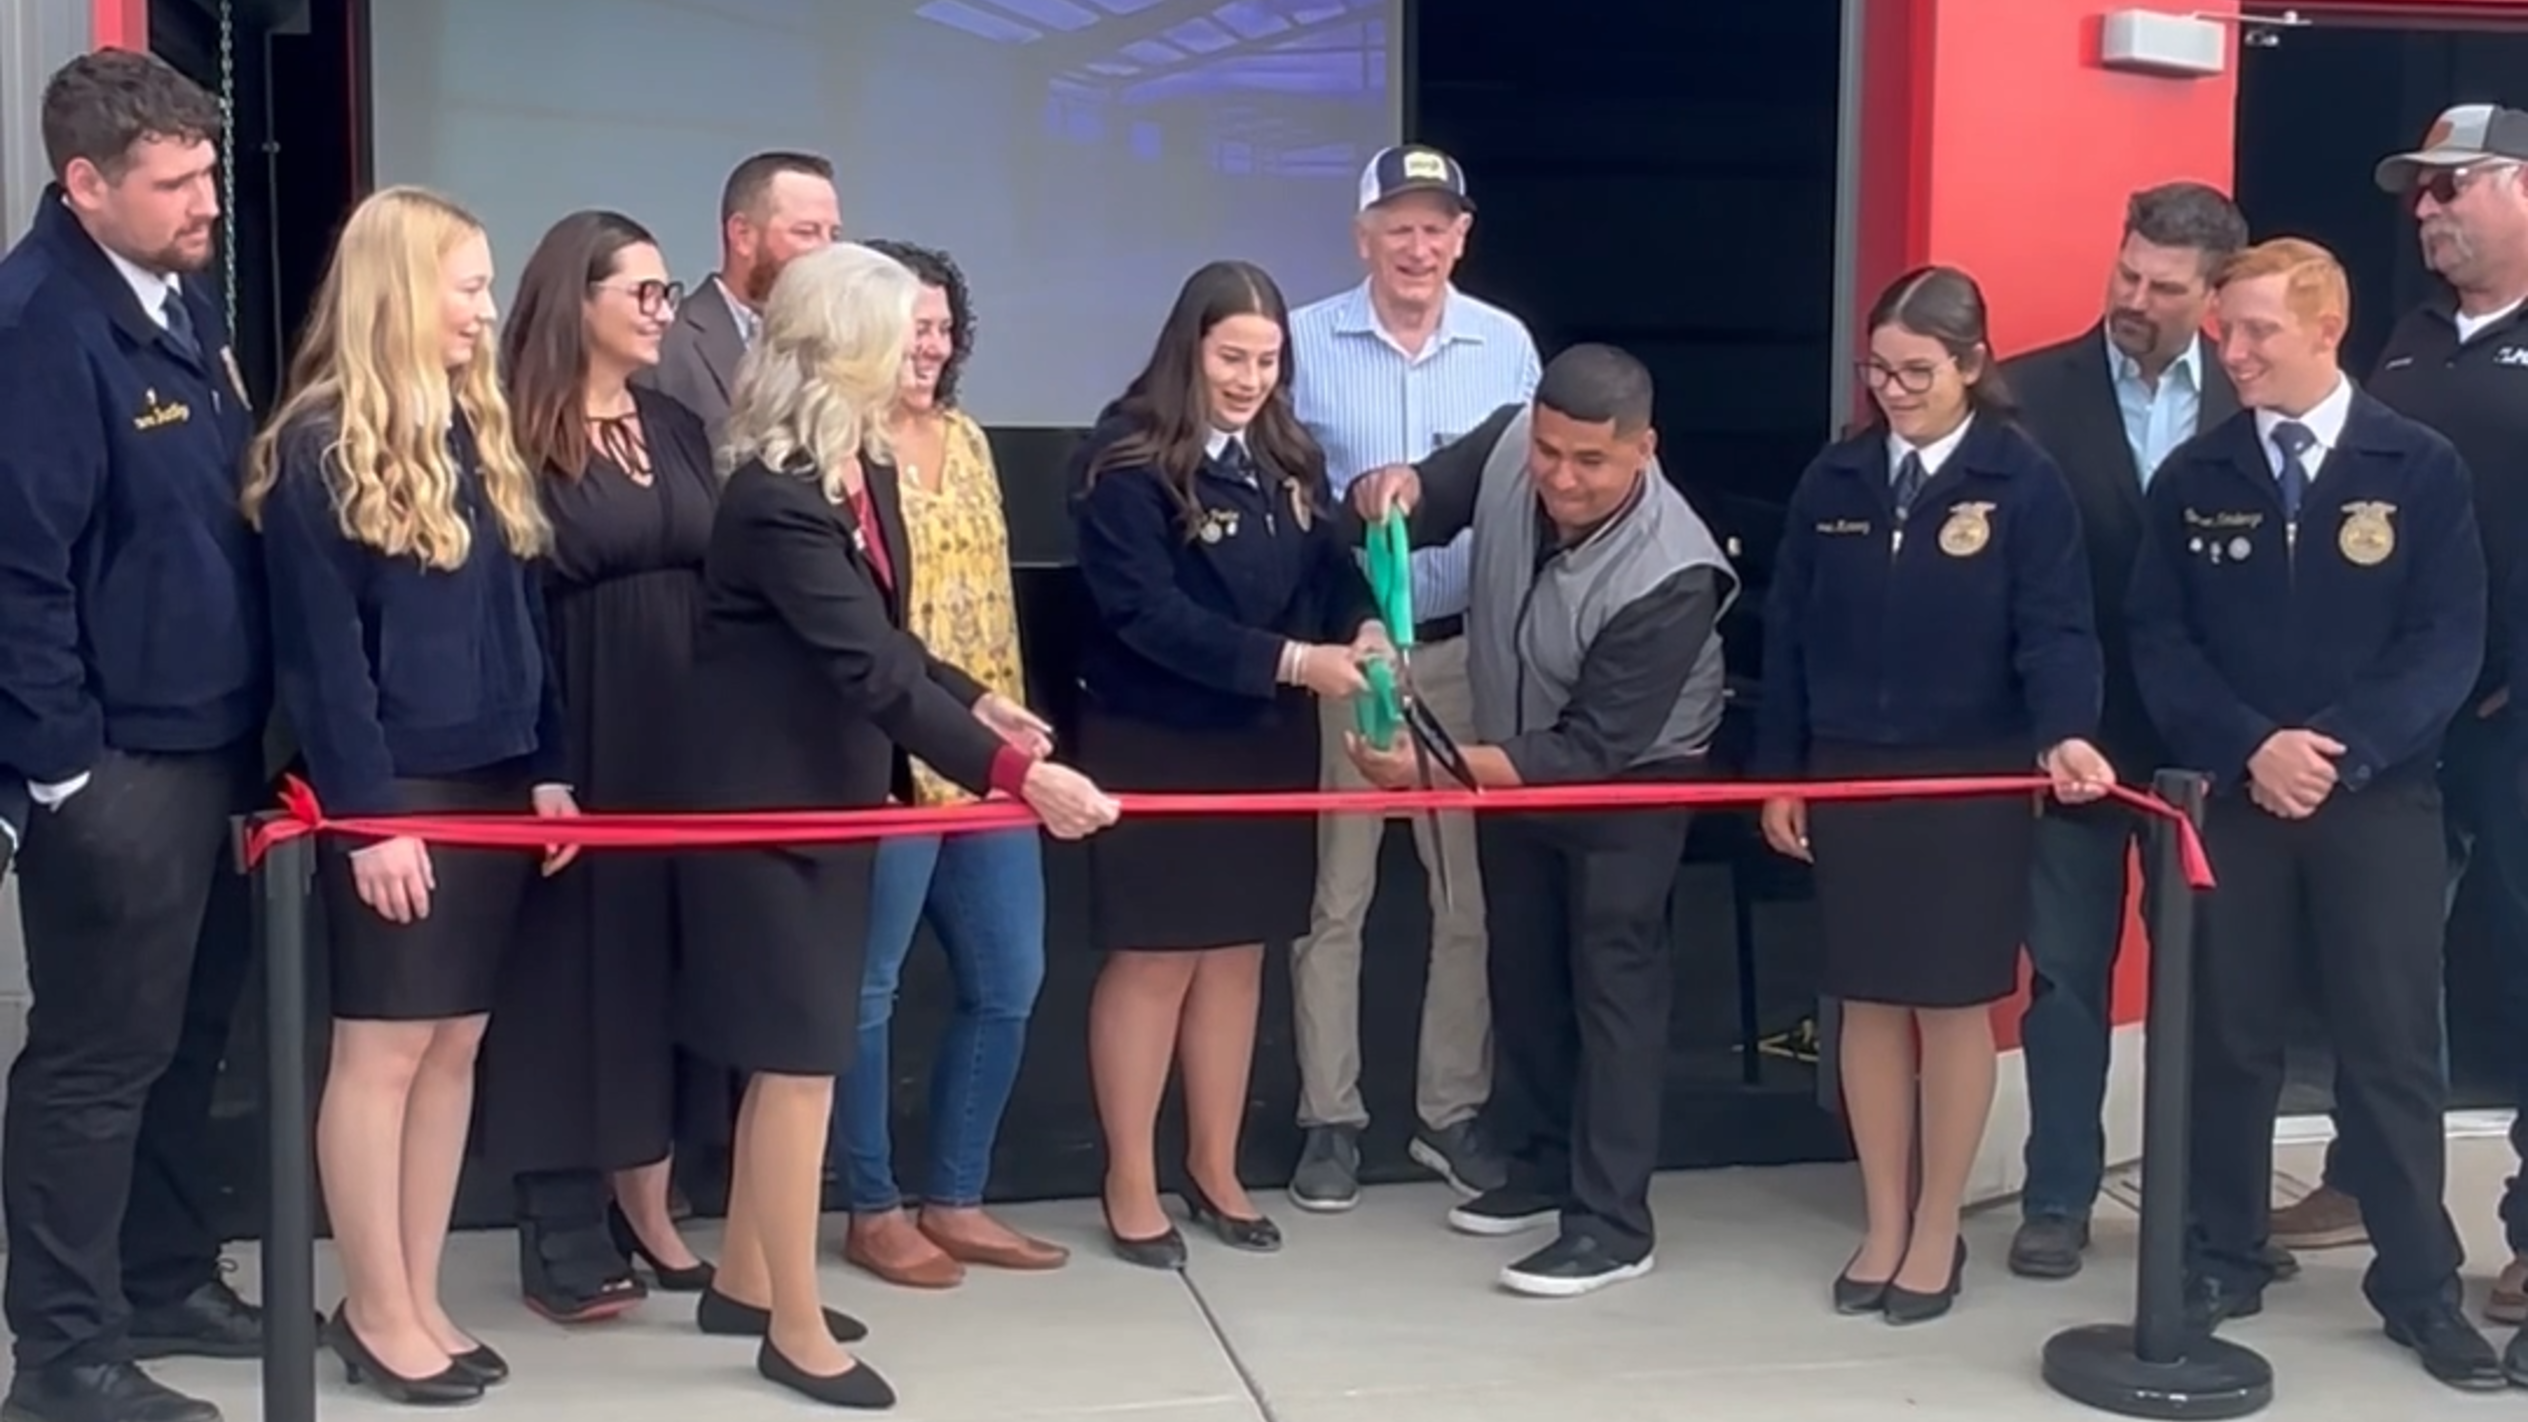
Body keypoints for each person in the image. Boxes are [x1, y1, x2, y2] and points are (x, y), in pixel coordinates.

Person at [674, 241, 1117, 1409]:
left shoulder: (850, 472)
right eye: (893, 337)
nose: (918, 356)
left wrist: (977, 701)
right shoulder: (771, 494)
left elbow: (892, 638)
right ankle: (794, 1328)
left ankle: (742, 1279)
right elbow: (865, 666)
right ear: (839, 352)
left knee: (797, 1060)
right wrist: (1017, 774)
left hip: (835, 800)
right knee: (799, 1063)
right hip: (768, 820)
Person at [2127, 237, 2501, 1390]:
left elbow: (2446, 639)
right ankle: (2221, 1254)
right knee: (2226, 1039)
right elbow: (2158, 639)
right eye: (2222, 332)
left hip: (2375, 800)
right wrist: (2249, 747)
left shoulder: (2417, 464)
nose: (2226, 352)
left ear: (2323, 329)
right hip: (2234, 804)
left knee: (2387, 1050)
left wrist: (2336, 755)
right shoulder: (2194, 477)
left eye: (2252, 332)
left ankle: (2416, 1287)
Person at [240, 184, 578, 1405]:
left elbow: (524, 623)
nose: (488, 312)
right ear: (401, 290)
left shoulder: (474, 434)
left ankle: (419, 1294)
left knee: (454, 1050)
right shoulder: (320, 447)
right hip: (396, 790)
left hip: (493, 782)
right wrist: (372, 817)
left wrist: (550, 766)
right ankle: (375, 1310)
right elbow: (323, 667)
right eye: (470, 286)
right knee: (381, 1054)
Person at [1754, 266, 2112, 1327]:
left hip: (1970, 772)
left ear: (1969, 366)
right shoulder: (1837, 478)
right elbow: (1788, 634)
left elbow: (2056, 629)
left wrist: (2064, 736)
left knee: (1951, 1001)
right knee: (1865, 996)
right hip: (1851, 766)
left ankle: (1937, 1224)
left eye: (1916, 371)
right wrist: (1784, 771)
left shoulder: (2021, 481)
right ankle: (1880, 1215)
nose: (1893, 390)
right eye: (1879, 370)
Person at [0, 50, 276, 1422]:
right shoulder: (42, 325)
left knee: (188, 1034)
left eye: (208, 172)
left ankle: (164, 1274)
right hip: (116, 765)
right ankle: (64, 1353)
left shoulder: (179, 294)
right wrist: (66, 772)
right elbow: (19, 571)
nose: (203, 200)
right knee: (97, 1056)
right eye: (173, 182)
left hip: (211, 740)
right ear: (84, 183)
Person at [1339, 344, 1735, 1297]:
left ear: (1645, 450)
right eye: (1549, 453)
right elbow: (1432, 491)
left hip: (1628, 784)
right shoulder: (1518, 436)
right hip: (1511, 761)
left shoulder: (1677, 571)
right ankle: (1549, 1167)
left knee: (1612, 987)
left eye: (1589, 462)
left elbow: (1594, 748)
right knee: (1524, 968)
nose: (1559, 478)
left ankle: (1612, 1223)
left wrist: (1427, 771)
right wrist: (1393, 493)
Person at [1072, 259, 1381, 1270]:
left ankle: (1214, 1167)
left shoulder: (1287, 453)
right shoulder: (1124, 458)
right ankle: (1129, 1176)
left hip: (1265, 741)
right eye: (1230, 357)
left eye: (1266, 360)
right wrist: (1294, 661)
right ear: (1187, 349)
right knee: (1156, 959)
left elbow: (1328, 565)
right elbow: (1144, 615)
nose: (1249, 379)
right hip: (1160, 737)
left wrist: (1362, 621)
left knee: (1238, 958)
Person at [2277, 104, 2528, 1287]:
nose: (2423, 211)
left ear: (2519, 187)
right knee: (2381, 963)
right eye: (2415, 193)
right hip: (2403, 721)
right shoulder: (2411, 342)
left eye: (2449, 187)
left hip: (2515, 718)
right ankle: (2367, 1174)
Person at [1282, 143, 1539, 1211]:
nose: (1418, 245)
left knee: (1463, 899)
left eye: (1437, 225)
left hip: (1463, 647)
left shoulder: (1505, 346)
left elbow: (1529, 494)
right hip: (1352, 658)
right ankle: (1329, 1122)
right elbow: (1289, 507)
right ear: (1361, 236)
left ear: (1461, 236)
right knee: (1333, 900)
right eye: (1398, 224)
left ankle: (1448, 1111)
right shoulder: (1300, 340)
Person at [2001, 182, 2247, 1281]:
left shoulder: (2251, 397)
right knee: (2063, 978)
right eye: (2125, 273)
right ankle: (2055, 1195)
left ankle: (2204, 1210)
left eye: (2162, 287)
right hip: (2075, 736)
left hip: (2210, 742)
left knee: (2211, 982)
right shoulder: (2030, 394)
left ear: (2213, 293)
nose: (2132, 299)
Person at [478, 209, 717, 1324]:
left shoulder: (670, 421)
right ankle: (559, 1222)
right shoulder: (512, 429)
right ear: (579, 298)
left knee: (658, 969)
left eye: (668, 294)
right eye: (646, 293)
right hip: (574, 730)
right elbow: (506, 609)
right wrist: (543, 757)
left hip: (680, 735)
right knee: (564, 977)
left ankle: (650, 1206)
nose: (664, 312)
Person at [831, 240, 1066, 1289]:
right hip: (890, 756)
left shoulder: (968, 439)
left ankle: (957, 1199)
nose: (928, 345)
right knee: (867, 992)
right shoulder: (837, 449)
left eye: (940, 326)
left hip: (990, 760)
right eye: (909, 325)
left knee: (1009, 978)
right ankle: (870, 1207)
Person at [642, 151, 841, 435]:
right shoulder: (668, 346)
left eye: (833, 235)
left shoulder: (833, 349)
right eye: (806, 232)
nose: (827, 253)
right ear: (742, 235)